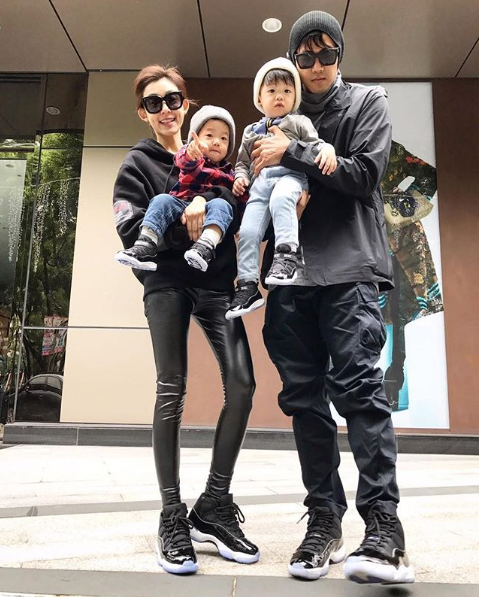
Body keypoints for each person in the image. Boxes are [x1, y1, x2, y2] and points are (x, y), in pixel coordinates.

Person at [253, 12, 415, 585]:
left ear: (339, 56)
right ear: (293, 61)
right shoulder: (273, 116)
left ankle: (384, 528)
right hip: (291, 278)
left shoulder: (367, 103)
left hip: (349, 271)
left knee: (361, 394)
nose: (317, 65)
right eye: (305, 56)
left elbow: (363, 175)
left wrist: (291, 155)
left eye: (326, 54)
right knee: (303, 401)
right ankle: (324, 519)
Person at [113, 65, 259, 575]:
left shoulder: (217, 158)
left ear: (186, 103)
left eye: (173, 98)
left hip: (216, 285)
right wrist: (183, 222)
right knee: (171, 386)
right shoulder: (138, 163)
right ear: (143, 113)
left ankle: (214, 505)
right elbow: (132, 232)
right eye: (154, 102)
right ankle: (172, 514)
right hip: (168, 283)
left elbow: (241, 216)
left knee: (243, 383)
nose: (166, 108)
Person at [226, 57, 336, 319]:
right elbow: (242, 163)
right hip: (260, 186)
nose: (279, 96)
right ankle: (247, 285)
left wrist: (328, 149)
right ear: (259, 98)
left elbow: (316, 146)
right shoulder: (251, 131)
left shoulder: (299, 122)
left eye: (287, 91)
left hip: (290, 178)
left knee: (281, 198)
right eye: (272, 90)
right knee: (248, 230)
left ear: (295, 97)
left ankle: (287, 256)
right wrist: (240, 178)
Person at [115, 105, 238, 273]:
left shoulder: (230, 173)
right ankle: (146, 242)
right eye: (209, 135)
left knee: (222, 205)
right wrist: (191, 152)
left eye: (224, 138)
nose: (216, 141)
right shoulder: (193, 158)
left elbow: (236, 201)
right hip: (180, 203)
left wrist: (241, 185)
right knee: (161, 200)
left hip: (212, 213)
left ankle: (206, 246)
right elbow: (182, 161)